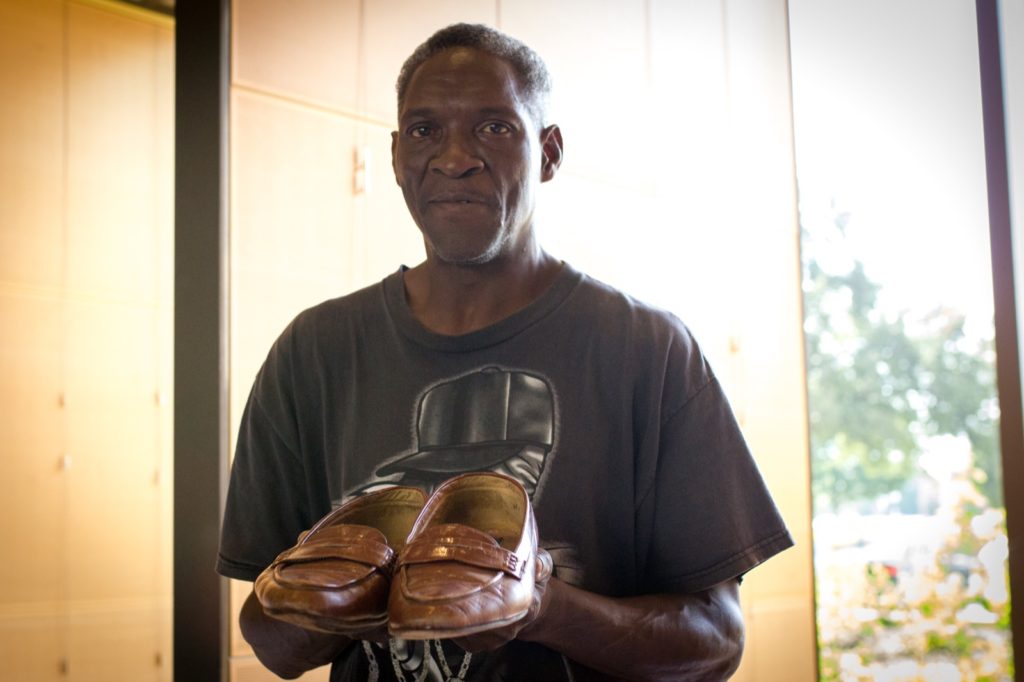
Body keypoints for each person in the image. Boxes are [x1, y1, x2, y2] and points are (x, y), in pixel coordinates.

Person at [217, 22, 794, 681]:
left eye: (494, 127)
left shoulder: (647, 350)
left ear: (548, 153)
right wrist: (339, 597)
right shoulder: (313, 353)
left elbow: (716, 643)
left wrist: (541, 607)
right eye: (425, 130)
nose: (454, 157)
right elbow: (270, 645)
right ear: (398, 155)